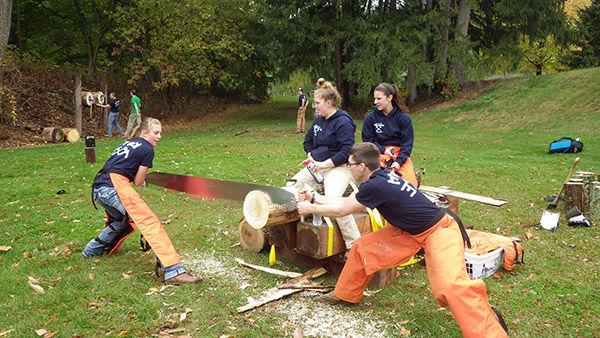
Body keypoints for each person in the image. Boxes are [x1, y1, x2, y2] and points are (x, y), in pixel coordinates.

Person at [296, 142, 509, 337]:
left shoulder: (375, 185)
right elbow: (346, 202)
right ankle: (345, 295)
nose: (348, 167)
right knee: (362, 248)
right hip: (409, 231)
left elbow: (343, 210)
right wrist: (315, 198)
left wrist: (311, 208)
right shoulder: (378, 177)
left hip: (439, 229)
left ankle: (490, 330)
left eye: (350, 164)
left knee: (450, 287)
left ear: (362, 166)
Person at [83, 117, 201, 285]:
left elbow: (121, 167)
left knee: (121, 221)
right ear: (145, 132)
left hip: (99, 187)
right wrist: (143, 178)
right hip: (113, 187)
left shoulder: (130, 142)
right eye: (156, 132)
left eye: (160, 133)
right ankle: (173, 271)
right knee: (149, 221)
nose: (159, 137)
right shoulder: (148, 149)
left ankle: (90, 251)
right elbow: (138, 181)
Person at [292, 81, 361, 249]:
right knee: (293, 185)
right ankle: (295, 230)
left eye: (317, 103)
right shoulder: (319, 120)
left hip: (340, 167)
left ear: (329, 103)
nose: (315, 106)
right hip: (318, 166)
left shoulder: (343, 122)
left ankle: (354, 245)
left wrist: (323, 164)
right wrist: (311, 158)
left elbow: (346, 152)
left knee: (334, 200)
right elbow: (307, 141)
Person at [361, 83, 418, 187]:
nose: (375, 102)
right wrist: (383, 150)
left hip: (399, 155)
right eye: (375, 99)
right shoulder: (371, 118)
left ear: (390, 98)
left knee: (410, 184)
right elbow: (368, 141)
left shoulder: (403, 117)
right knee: (377, 182)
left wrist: (398, 162)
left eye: (379, 99)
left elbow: (407, 145)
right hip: (377, 153)